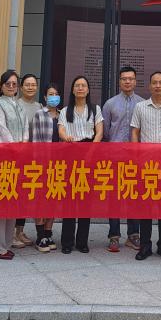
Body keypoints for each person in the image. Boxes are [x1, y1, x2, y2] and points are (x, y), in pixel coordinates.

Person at [131, 71, 161, 261]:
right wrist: (136, 155)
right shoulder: (140, 107)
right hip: (146, 164)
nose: (158, 86)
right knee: (145, 206)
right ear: (149, 86)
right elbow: (135, 132)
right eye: (154, 83)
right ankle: (145, 245)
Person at [57, 75, 103, 253]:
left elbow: (99, 132)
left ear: (88, 89)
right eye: (77, 85)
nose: (80, 88)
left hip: (90, 153)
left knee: (85, 200)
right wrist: (65, 137)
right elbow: (61, 129)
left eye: (83, 85)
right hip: (70, 153)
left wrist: (92, 151)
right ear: (73, 89)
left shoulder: (95, 109)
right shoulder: (65, 110)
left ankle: (82, 241)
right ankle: (67, 242)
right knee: (69, 200)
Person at [102, 66, 143, 252]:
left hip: (136, 157)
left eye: (131, 78)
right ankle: (114, 235)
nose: (127, 81)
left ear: (135, 81)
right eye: (124, 79)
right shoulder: (110, 104)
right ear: (119, 82)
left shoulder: (142, 104)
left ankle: (133, 235)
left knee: (134, 195)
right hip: (115, 156)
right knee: (115, 197)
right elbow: (105, 132)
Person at [0, 69, 26, 260]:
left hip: (19, 158)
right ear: (1, 86)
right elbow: (0, 130)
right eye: (7, 84)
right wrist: (14, 148)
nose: (11, 87)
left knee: (12, 201)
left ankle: (6, 243)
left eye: (14, 84)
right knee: (0, 202)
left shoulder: (19, 105)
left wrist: (24, 145)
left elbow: (26, 128)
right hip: (3, 159)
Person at [28, 82, 62, 253]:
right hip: (43, 163)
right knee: (40, 200)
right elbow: (35, 141)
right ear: (44, 97)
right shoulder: (39, 114)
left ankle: (48, 233)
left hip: (59, 165)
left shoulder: (63, 115)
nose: (53, 97)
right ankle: (40, 236)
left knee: (53, 199)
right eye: (50, 94)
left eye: (56, 94)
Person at [13, 73, 43, 249]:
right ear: (21, 87)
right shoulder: (16, 105)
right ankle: (13, 232)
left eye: (33, 85)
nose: (30, 87)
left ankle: (20, 230)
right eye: (27, 84)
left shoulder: (40, 107)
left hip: (35, 158)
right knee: (18, 195)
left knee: (27, 196)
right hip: (20, 156)